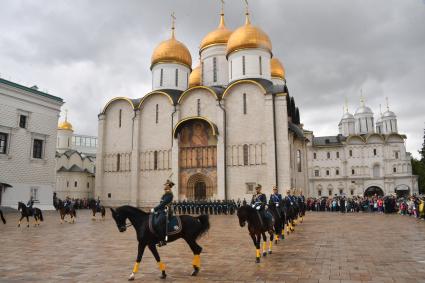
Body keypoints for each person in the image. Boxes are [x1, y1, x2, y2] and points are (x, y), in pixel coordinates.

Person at [151, 179, 174, 247]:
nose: (164, 186)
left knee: (158, 223)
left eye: (166, 185)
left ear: (169, 187)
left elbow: (163, 203)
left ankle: (163, 240)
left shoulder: (169, 194)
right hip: (161, 210)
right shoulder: (165, 194)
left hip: (166, 211)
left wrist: (155, 208)